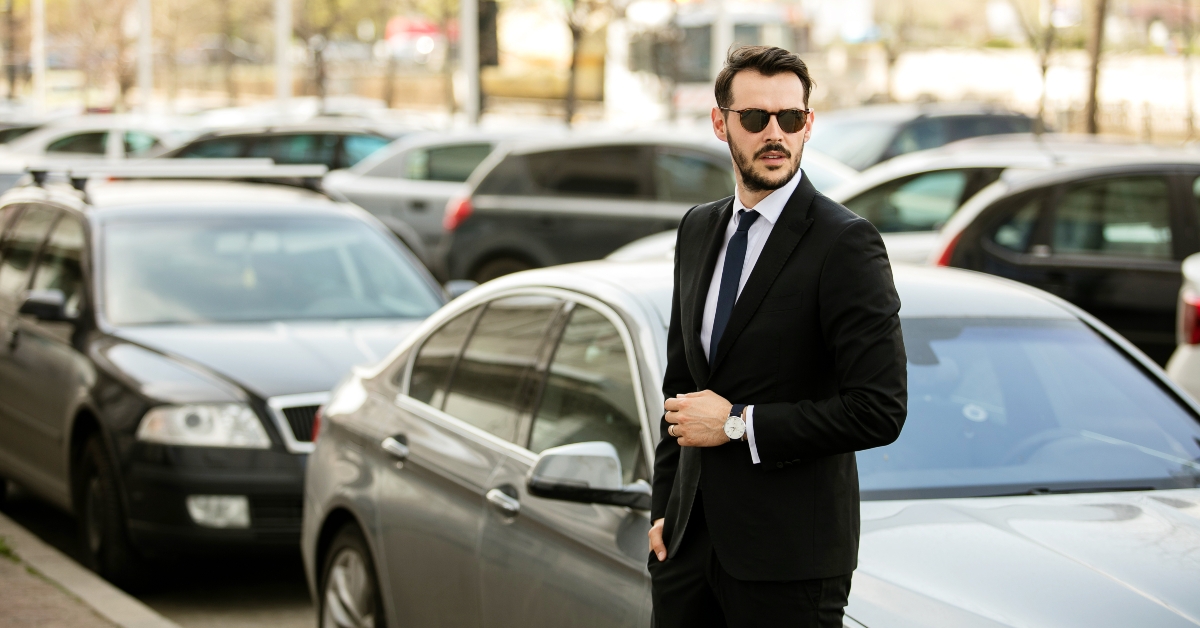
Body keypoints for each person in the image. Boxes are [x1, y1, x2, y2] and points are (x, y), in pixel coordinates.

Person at [646, 45, 908, 628]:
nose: (775, 133)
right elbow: (682, 387)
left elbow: (879, 410)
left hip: (789, 564)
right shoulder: (698, 228)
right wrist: (666, 510)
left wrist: (739, 423)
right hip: (688, 553)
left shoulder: (846, 245)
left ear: (808, 123)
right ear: (721, 123)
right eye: (755, 118)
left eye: (791, 118)